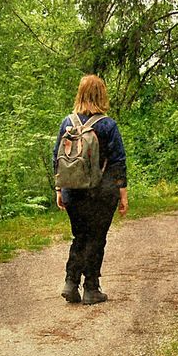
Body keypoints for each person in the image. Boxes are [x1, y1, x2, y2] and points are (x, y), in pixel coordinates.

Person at [53, 75, 129, 305]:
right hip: (101, 192)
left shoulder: (67, 123)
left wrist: (59, 189)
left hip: (72, 190)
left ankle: (70, 282)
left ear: (80, 93)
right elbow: (118, 161)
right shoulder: (107, 125)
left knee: (80, 236)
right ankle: (91, 288)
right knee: (96, 238)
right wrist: (123, 194)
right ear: (101, 95)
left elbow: (57, 157)